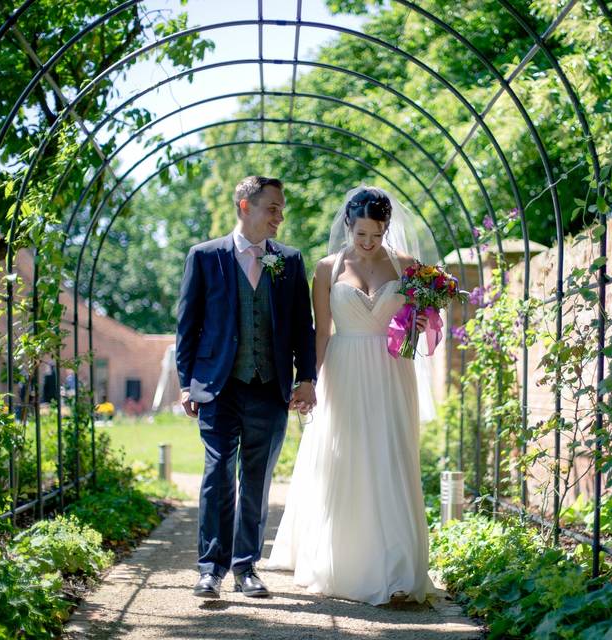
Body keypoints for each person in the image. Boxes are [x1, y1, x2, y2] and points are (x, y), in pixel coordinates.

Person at [265, 186, 435, 605]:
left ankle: (396, 566)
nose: (368, 243)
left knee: (391, 457)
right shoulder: (327, 268)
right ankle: (345, 561)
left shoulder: (408, 266)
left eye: (376, 235)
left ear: (386, 229)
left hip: (393, 371)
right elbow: (321, 333)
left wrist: (426, 314)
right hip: (344, 371)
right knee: (348, 458)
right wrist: (309, 382)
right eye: (361, 234)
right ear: (348, 227)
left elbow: (417, 323)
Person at [176, 176, 317, 599]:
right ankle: (210, 569)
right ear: (245, 206)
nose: (280, 216)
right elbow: (187, 326)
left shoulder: (289, 261)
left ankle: (246, 568)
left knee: (256, 479)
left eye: (280, 208)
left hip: (269, 387)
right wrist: (186, 384)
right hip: (217, 387)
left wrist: (306, 378)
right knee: (218, 474)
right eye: (272, 207)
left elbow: (302, 329)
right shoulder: (204, 257)